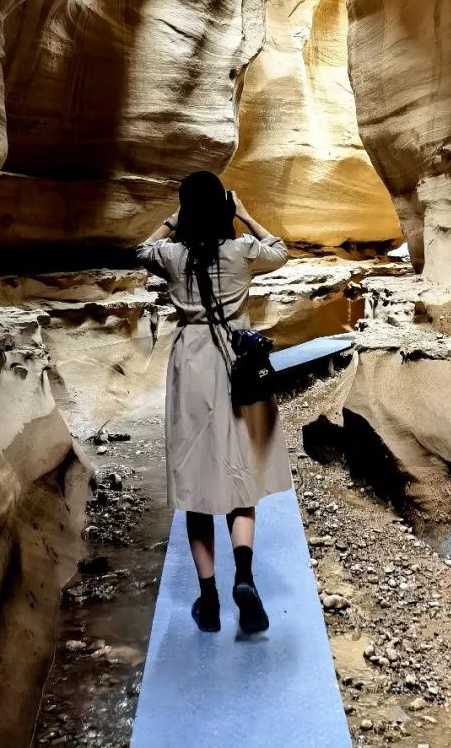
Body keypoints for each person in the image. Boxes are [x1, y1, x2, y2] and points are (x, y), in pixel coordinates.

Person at [137, 171, 291, 635]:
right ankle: (244, 576)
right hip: (236, 361)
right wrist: (243, 214)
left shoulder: (172, 256)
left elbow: (139, 250)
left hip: (193, 361)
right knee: (239, 472)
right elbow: (280, 251)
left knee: (198, 486)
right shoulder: (240, 251)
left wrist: (172, 220)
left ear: (187, 209)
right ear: (222, 208)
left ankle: (208, 601)